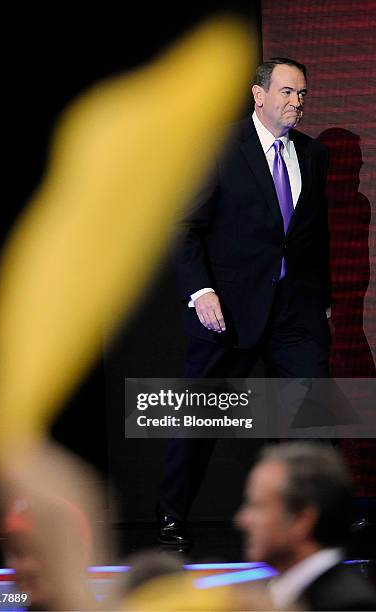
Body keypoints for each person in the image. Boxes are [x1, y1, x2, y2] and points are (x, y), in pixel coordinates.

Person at [158, 57, 333, 546]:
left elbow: (312, 237)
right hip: (227, 311)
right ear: (259, 95)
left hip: (295, 311)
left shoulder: (314, 156)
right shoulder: (218, 146)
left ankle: (320, 515)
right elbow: (185, 226)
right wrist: (201, 291)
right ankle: (171, 514)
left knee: (312, 413)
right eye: (286, 92)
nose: (296, 102)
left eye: (301, 94)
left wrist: (324, 301)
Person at [235, 442, 376, 611]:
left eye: (259, 506)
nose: (242, 520)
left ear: (302, 519)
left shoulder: (347, 604)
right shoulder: (277, 597)